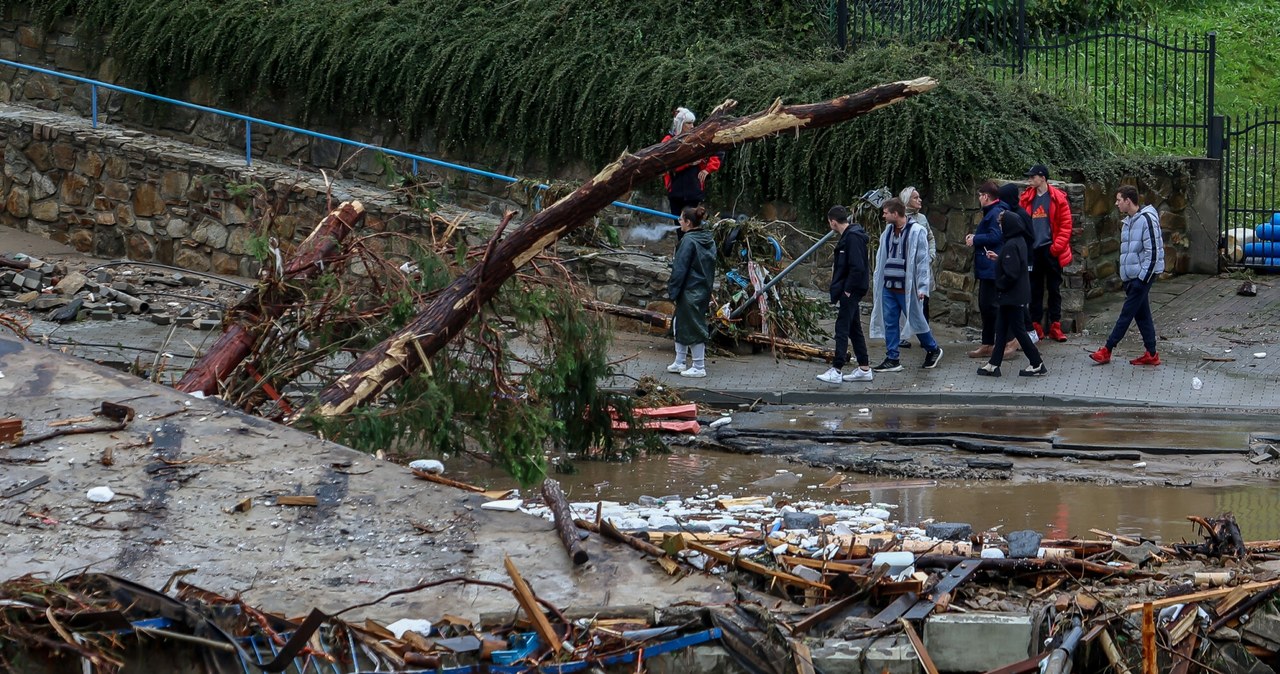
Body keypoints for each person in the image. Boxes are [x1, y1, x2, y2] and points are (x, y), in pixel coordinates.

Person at [1090, 185, 1165, 366]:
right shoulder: (1128, 222)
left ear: (1128, 201)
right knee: (1142, 315)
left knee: (1126, 314)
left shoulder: (1147, 220)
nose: (1116, 204)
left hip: (1140, 278)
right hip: (1132, 277)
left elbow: (1153, 252)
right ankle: (1152, 353)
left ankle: (1107, 349)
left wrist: (1142, 278)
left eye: (1118, 200)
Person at [869, 197, 943, 371]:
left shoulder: (917, 231)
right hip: (889, 285)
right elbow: (882, 257)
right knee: (890, 321)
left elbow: (922, 260)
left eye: (886, 213)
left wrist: (923, 287)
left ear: (896, 213)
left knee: (917, 320)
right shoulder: (888, 231)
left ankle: (933, 349)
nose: (883, 216)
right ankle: (892, 357)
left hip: (906, 287)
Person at [977, 209, 1047, 377]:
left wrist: (999, 285)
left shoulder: (1010, 245)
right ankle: (994, 364)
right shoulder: (1019, 241)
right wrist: (999, 258)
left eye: (1001, 224)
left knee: (1019, 332)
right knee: (1001, 331)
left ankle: (1037, 363)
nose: (1000, 226)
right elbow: (1014, 264)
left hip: (1011, 296)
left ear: (1007, 225)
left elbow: (1011, 273)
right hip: (1015, 295)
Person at [816, 205, 873, 384]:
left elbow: (857, 267)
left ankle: (837, 369)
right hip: (851, 289)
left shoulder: (852, 238)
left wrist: (847, 289)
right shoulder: (850, 236)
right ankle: (864, 368)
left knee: (842, 327)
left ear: (833, 222)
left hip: (851, 290)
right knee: (854, 328)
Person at [1020, 164, 1073, 342]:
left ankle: (1055, 326)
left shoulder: (1057, 198)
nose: (1030, 179)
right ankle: (1036, 325)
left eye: (1032, 176)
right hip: (1034, 250)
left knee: (1054, 289)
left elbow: (1066, 226)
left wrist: (1055, 248)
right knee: (1034, 289)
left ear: (1042, 177)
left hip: (1051, 250)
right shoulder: (1027, 197)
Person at [666, 206, 718, 378]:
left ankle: (698, 366)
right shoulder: (707, 238)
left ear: (688, 222)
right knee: (679, 323)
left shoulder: (688, 241)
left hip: (690, 289)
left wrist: (673, 290)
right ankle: (679, 362)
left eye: (681, 219)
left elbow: (680, 268)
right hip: (702, 288)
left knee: (694, 326)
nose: (679, 221)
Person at [965, 181, 1006, 359]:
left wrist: (976, 239)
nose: (979, 199)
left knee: (991, 307)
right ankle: (988, 343)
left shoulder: (995, 213)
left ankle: (998, 343)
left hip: (991, 267)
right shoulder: (993, 212)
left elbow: (996, 236)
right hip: (987, 268)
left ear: (986, 196)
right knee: (986, 306)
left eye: (980, 195)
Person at [662, 107, 721, 218]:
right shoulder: (668, 140)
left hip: (694, 190)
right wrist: (688, 163)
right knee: (679, 223)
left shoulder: (698, 138)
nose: (692, 126)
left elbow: (717, 151)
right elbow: (667, 163)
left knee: (692, 224)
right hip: (675, 191)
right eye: (688, 123)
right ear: (680, 124)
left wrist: (707, 169)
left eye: (693, 123)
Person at [897, 186, 936, 349]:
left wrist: (931, 255)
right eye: (915, 198)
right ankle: (902, 336)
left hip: (923, 267)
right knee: (903, 303)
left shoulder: (922, 218)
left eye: (919, 197)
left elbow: (930, 237)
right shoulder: (899, 219)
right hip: (906, 270)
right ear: (907, 201)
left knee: (923, 301)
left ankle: (924, 334)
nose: (919, 200)